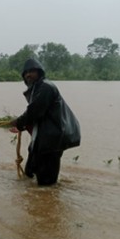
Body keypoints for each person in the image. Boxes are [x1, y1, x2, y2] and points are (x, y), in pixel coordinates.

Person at [10, 58, 81, 186]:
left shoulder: (45, 87)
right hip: (43, 137)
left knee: (46, 184)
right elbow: (40, 114)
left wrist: (18, 122)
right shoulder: (38, 88)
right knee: (30, 172)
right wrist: (22, 125)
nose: (28, 75)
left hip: (52, 139)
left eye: (31, 71)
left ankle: (48, 200)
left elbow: (34, 111)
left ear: (39, 72)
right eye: (25, 73)